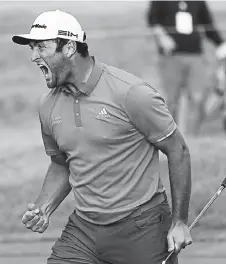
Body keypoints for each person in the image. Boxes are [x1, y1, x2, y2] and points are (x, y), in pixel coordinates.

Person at [12, 10, 193, 264]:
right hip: (84, 231)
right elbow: (61, 163)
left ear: (69, 47)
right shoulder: (47, 105)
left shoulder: (131, 93)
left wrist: (180, 222)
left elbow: (178, 149)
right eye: (32, 48)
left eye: (41, 47)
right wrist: (44, 206)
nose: (33, 57)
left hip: (142, 228)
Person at [147, 0, 226, 136]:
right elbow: (153, 21)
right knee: (171, 100)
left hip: (196, 56)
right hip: (171, 57)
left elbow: (208, 26)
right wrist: (162, 37)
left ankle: (191, 138)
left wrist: (223, 44)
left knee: (197, 98)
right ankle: (169, 138)